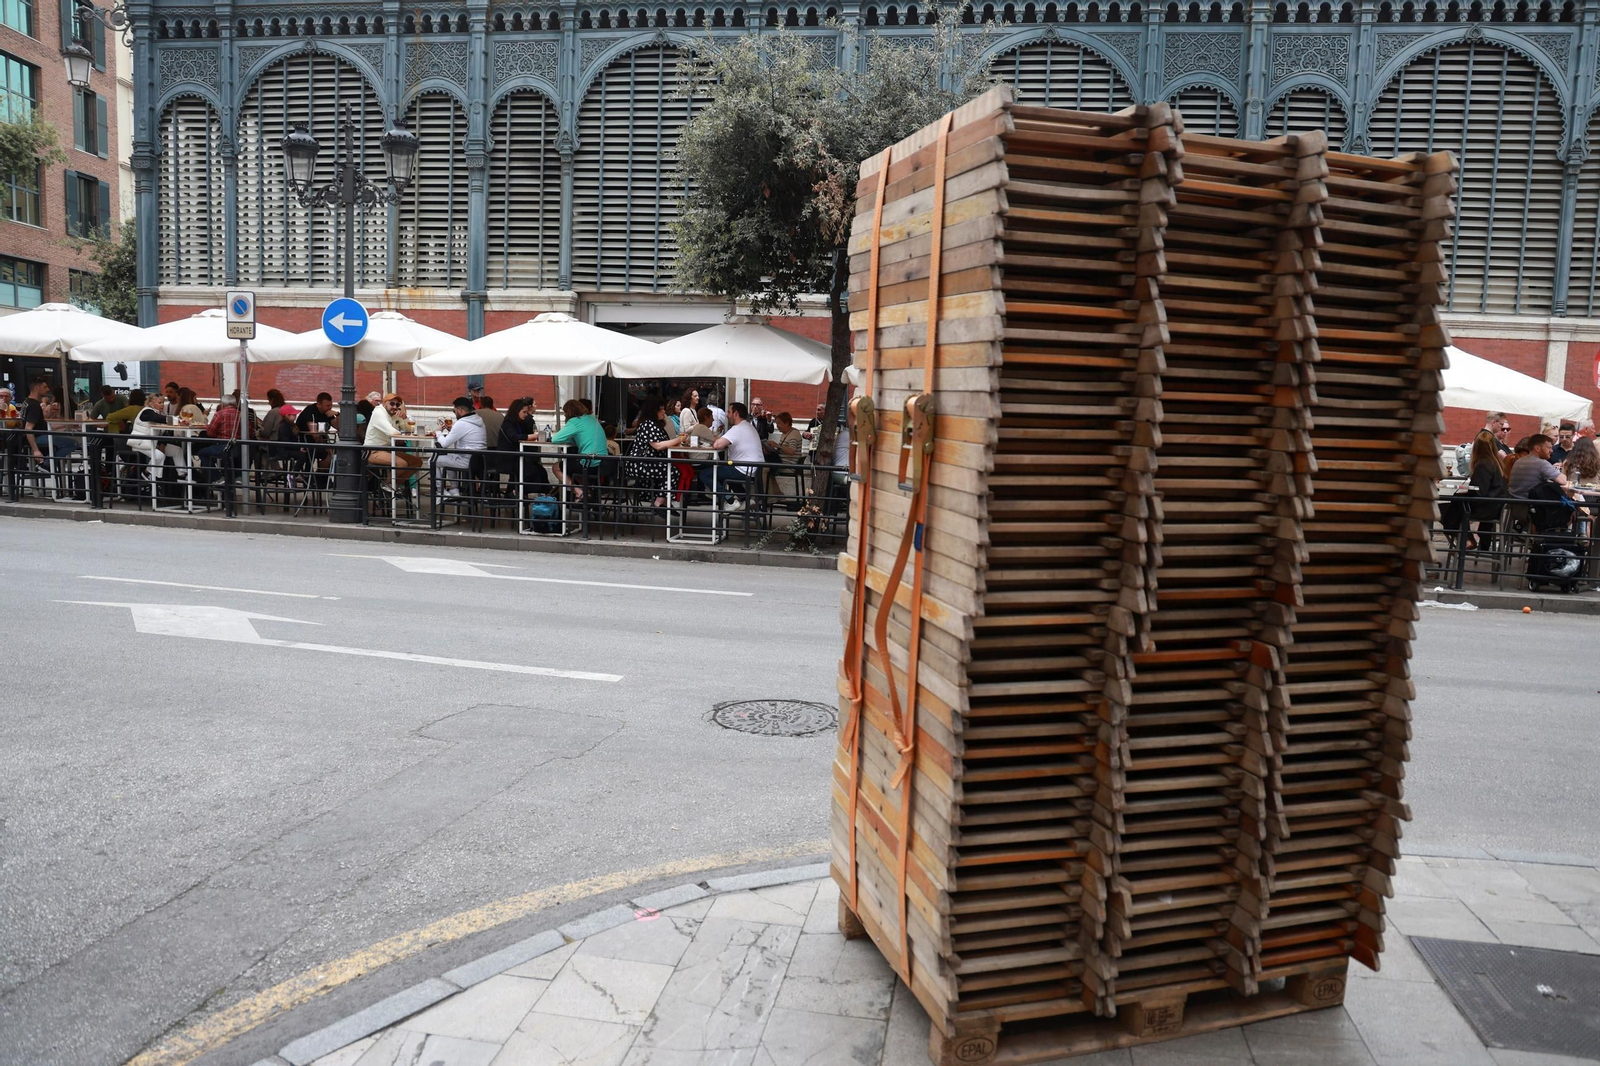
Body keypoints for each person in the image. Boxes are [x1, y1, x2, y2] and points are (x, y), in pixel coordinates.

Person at [1441, 429, 1511, 550]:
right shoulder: (1497, 463)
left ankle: (1466, 538)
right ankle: (1468, 539)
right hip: (1495, 506)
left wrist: (1464, 494)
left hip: (1485, 508)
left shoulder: (1483, 464)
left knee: (1444, 508)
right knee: (1456, 503)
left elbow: (1479, 492)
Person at [698, 402, 762, 510]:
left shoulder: (737, 428)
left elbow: (717, 445)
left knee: (705, 474)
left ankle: (731, 501)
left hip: (744, 469)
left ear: (736, 413)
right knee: (725, 472)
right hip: (753, 468)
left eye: (729, 412)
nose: (727, 415)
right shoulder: (748, 426)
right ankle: (745, 499)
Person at [626, 397, 686, 507]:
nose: (664, 411)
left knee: (670, 470)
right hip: (641, 463)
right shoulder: (648, 425)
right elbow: (657, 445)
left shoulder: (655, 424)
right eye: (661, 409)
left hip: (649, 462)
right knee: (672, 472)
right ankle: (659, 503)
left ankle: (662, 502)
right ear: (653, 411)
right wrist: (679, 439)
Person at [550, 398, 607, 497]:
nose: (564, 415)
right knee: (573, 466)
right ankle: (587, 492)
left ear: (568, 412)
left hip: (589, 463)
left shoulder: (575, 421)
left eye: (565, 413)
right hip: (603, 463)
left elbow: (555, 439)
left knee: (556, 467)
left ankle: (579, 492)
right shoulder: (592, 419)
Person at [433, 396, 488, 495]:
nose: (455, 414)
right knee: (449, 458)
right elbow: (467, 435)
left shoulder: (461, 423)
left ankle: (440, 491)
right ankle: (454, 490)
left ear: (460, 410)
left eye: (454, 411)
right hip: (479, 461)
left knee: (432, 461)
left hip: (465, 461)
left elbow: (445, 443)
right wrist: (452, 431)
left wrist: (438, 433)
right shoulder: (479, 420)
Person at [366, 392, 423, 476]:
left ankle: (396, 485)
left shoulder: (395, 414)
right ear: (384, 403)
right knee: (401, 464)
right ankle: (388, 486)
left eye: (398, 405)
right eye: (392, 404)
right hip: (374, 451)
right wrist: (401, 435)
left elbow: (409, 430)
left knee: (417, 462)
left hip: (389, 450)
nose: (395, 407)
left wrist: (404, 418)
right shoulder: (379, 413)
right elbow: (392, 432)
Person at [127, 393, 183, 478]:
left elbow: (161, 428)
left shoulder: (156, 413)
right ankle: (147, 473)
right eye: (160, 403)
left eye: (163, 403)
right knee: (159, 456)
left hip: (151, 443)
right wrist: (178, 421)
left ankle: (182, 474)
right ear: (151, 403)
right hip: (140, 443)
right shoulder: (147, 411)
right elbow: (156, 418)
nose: (162, 405)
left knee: (177, 450)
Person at [1509, 434, 1571, 498]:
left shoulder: (1519, 461)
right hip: (1532, 504)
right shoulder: (1541, 463)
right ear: (1537, 448)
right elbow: (1562, 481)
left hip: (1514, 503)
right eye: (1549, 448)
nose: (1551, 451)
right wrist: (1564, 466)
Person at [196, 394, 240, 480]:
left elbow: (210, 433)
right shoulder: (241, 415)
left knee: (202, 453)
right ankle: (235, 478)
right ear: (235, 404)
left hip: (223, 446)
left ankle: (217, 478)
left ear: (222, 404)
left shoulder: (219, 414)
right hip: (238, 446)